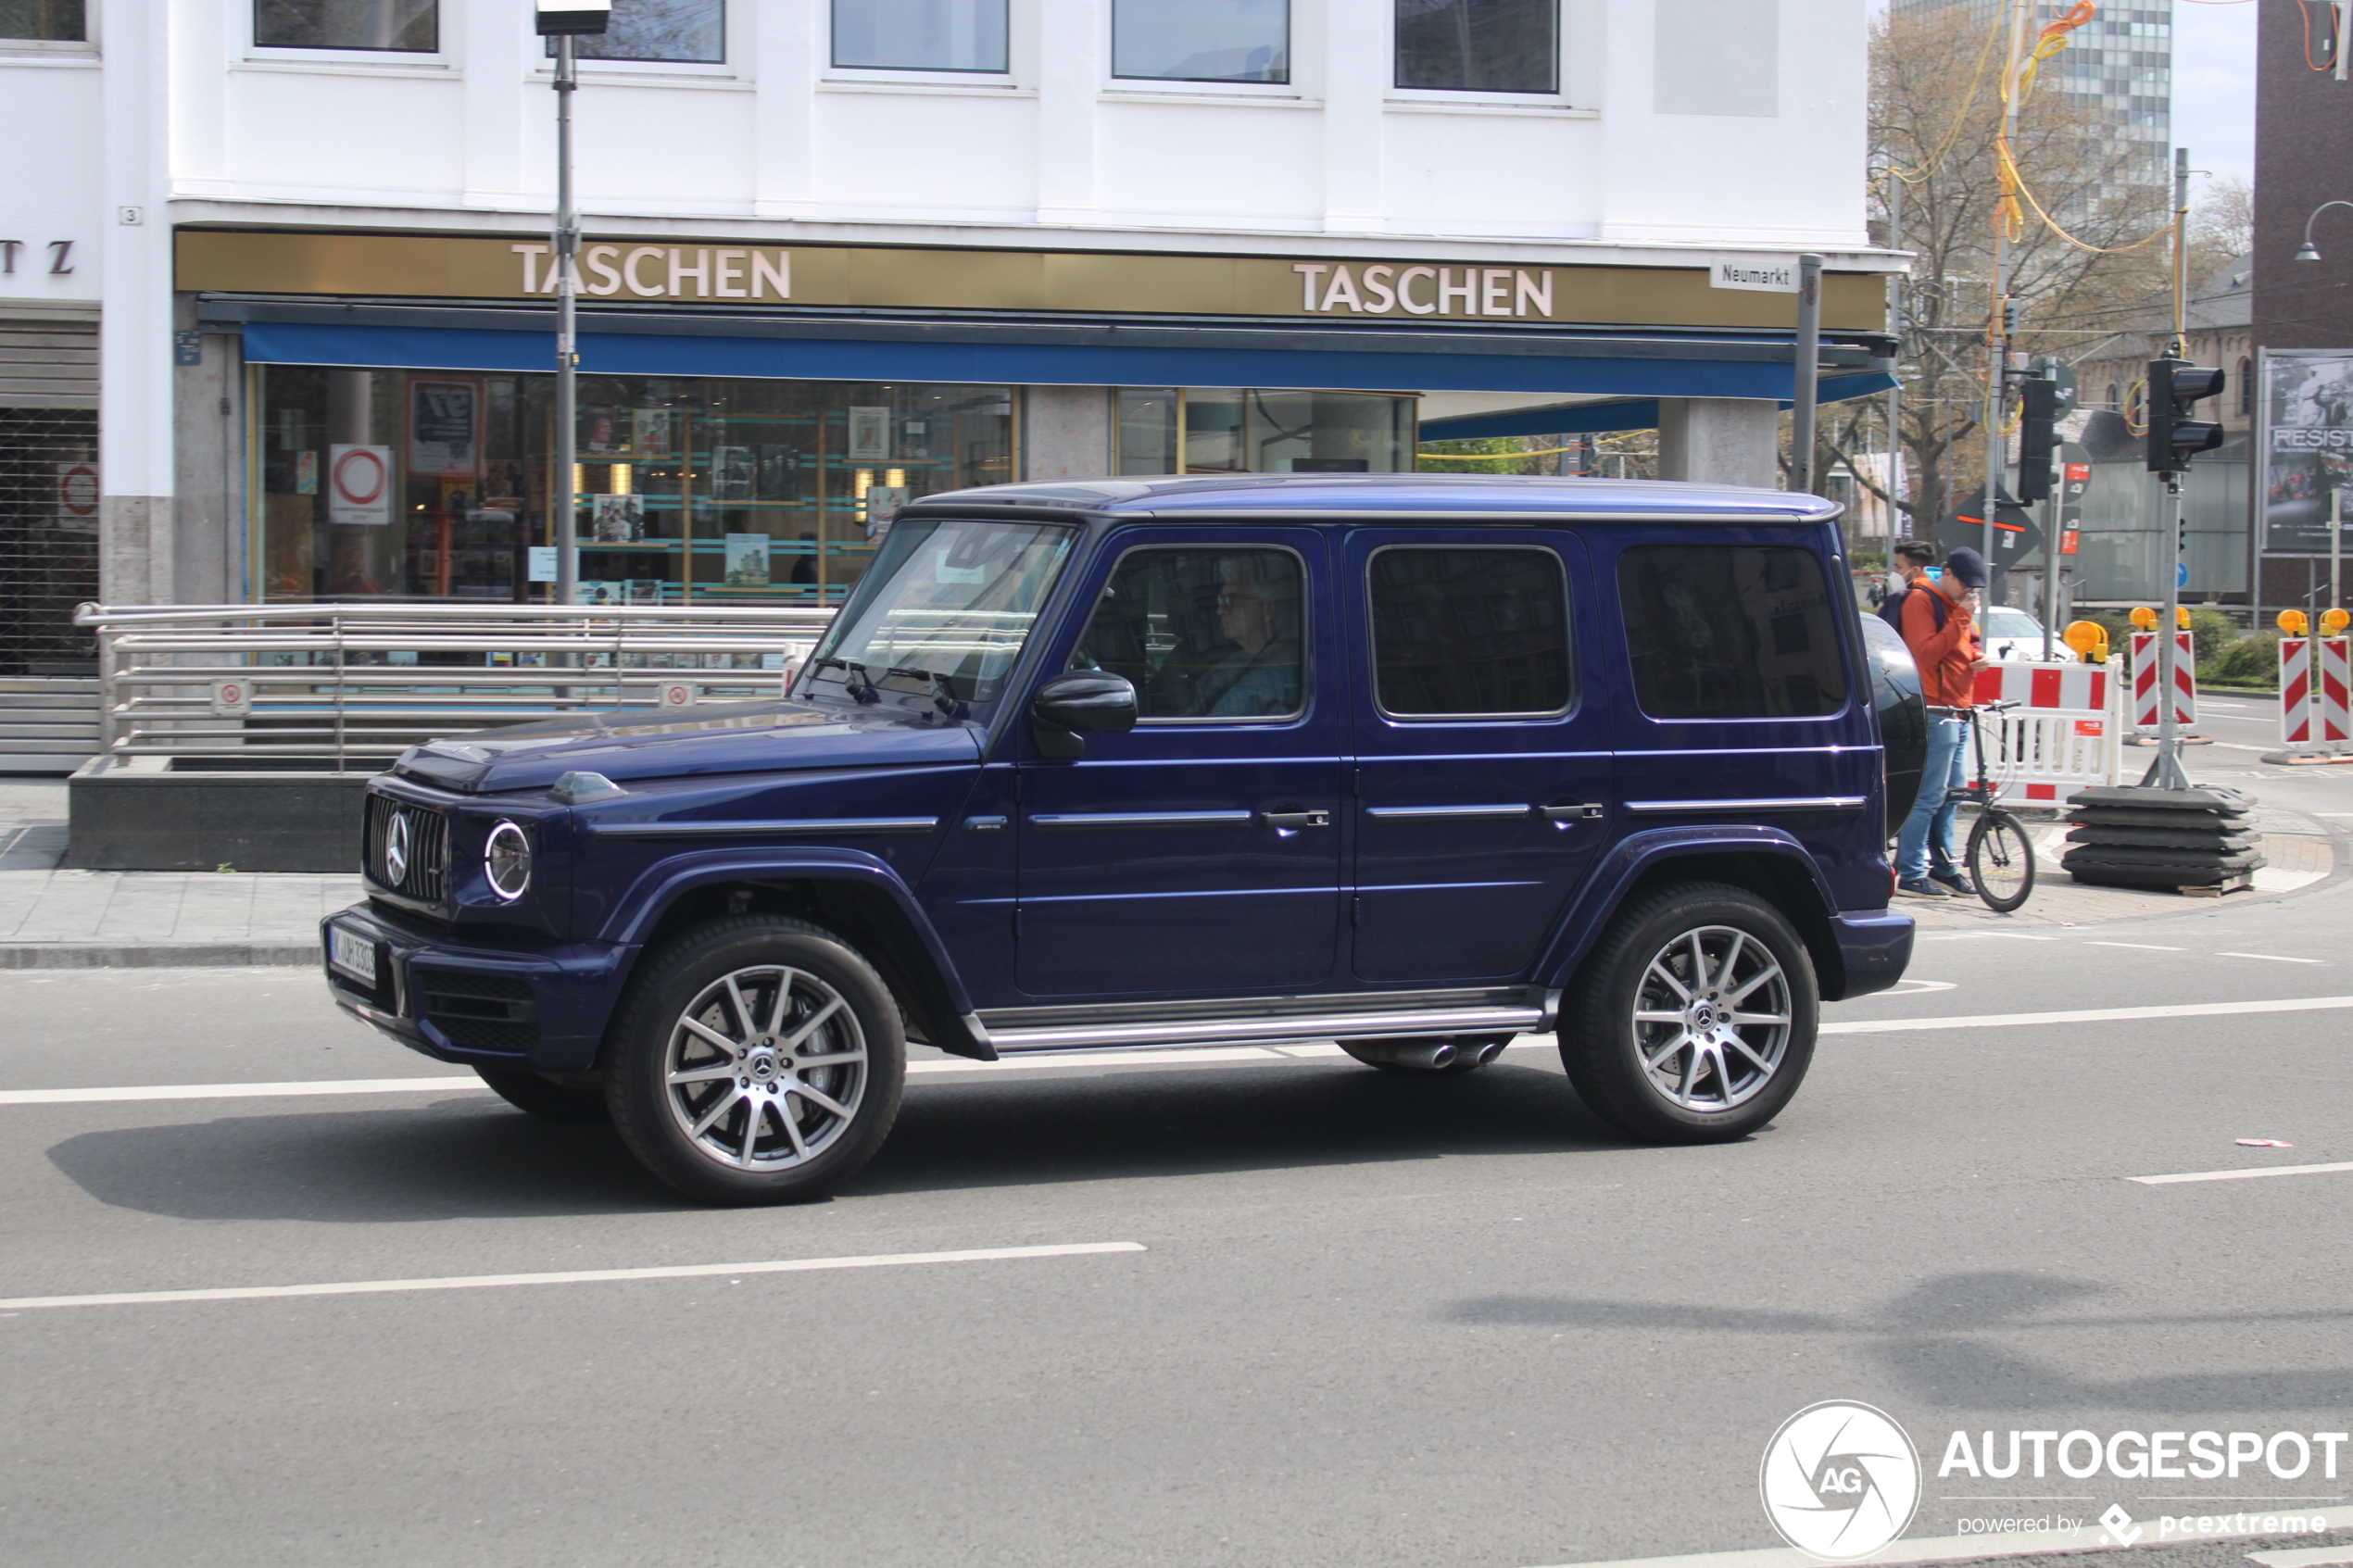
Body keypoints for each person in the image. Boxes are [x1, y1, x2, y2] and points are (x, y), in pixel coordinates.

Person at [1894, 546, 1990, 898]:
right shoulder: (1922, 600)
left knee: (1949, 795)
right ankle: (1910, 872)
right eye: (1966, 585)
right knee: (1930, 794)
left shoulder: (1954, 604)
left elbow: (1956, 649)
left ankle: (1943, 866)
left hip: (1957, 708)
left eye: (1975, 589)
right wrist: (1962, 618)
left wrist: (1976, 657)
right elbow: (1925, 653)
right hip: (1935, 710)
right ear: (1947, 574)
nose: (1970, 594)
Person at [1189, 557, 1302, 717]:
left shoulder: (1293, 670)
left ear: (1268, 608)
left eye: (1230, 600)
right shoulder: (1220, 671)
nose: (1219, 611)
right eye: (1221, 600)